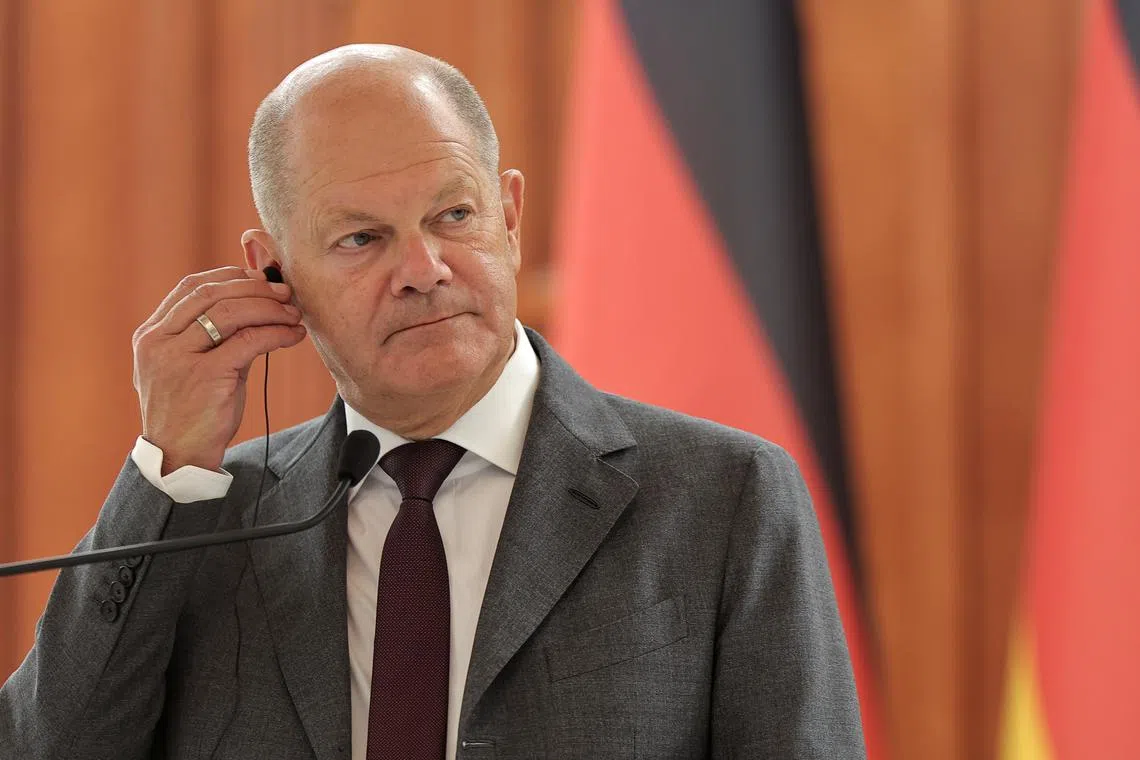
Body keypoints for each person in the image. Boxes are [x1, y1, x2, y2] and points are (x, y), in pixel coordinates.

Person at [0, 45, 865, 759]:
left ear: (509, 216)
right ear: (275, 271)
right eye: (361, 238)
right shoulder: (208, 519)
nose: (422, 269)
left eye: (453, 215)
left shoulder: (726, 496)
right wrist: (169, 470)